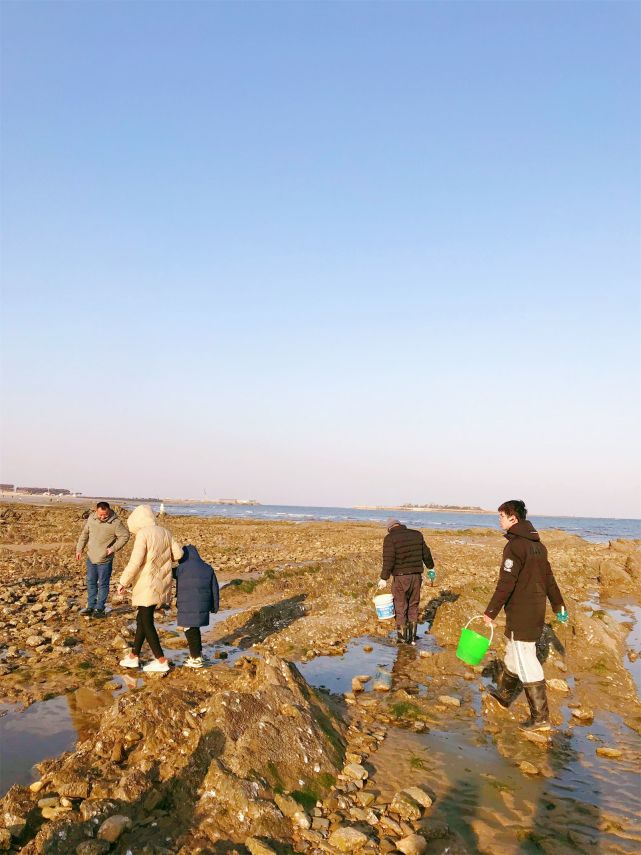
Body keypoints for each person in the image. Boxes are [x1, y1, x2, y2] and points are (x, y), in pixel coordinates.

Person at [483, 499, 567, 731]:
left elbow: (505, 583)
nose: (499, 520)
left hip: (522, 611)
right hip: (533, 609)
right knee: (513, 652)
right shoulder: (539, 546)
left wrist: (490, 612)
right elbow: (549, 580)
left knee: (526, 659)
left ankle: (540, 718)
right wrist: (559, 606)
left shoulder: (515, 546)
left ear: (513, 518)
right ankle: (504, 696)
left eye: (501, 516)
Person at [117, 504, 183, 673]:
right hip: (162, 583)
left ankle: (161, 660)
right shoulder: (166, 532)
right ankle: (133, 657)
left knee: (146, 621)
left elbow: (136, 561)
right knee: (142, 619)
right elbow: (178, 555)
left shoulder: (143, 534)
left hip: (147, 584)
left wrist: (123, 581)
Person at [377, 518, 435, 644]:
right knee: (413, 605)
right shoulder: (416, 534)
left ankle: (402, 639)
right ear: (400, 525)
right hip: (416, 577)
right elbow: (426, 553)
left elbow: (389, 560)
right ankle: (413, 639)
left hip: (400, 578)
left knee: (400, 606)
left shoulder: (390, 538)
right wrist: (431, 567)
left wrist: (384, 578)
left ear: (389, 528)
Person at [75, 501, 130, 617]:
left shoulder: (116, 523)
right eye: (100, 514)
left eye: (105, 514)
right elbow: (84, 534)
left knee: (103, 584)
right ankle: (90, 606)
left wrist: (113, 548)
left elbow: (125, 536)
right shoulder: (91, 518)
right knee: (90, 582)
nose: (103, 517)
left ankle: (100, 608)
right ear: (96, 511)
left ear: (109, 511)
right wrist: (79, 549)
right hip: (91, 557)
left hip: (105, 560)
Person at [174, 544, 220, 668]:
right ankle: (198, 654)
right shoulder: (208, 568)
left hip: (186, 606)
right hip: (202, 605)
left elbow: (168, 572)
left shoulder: (181, 569)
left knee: (189, 629)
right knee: (195, 629)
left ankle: (195, 658)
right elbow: (215, 589)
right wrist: (215, 606)